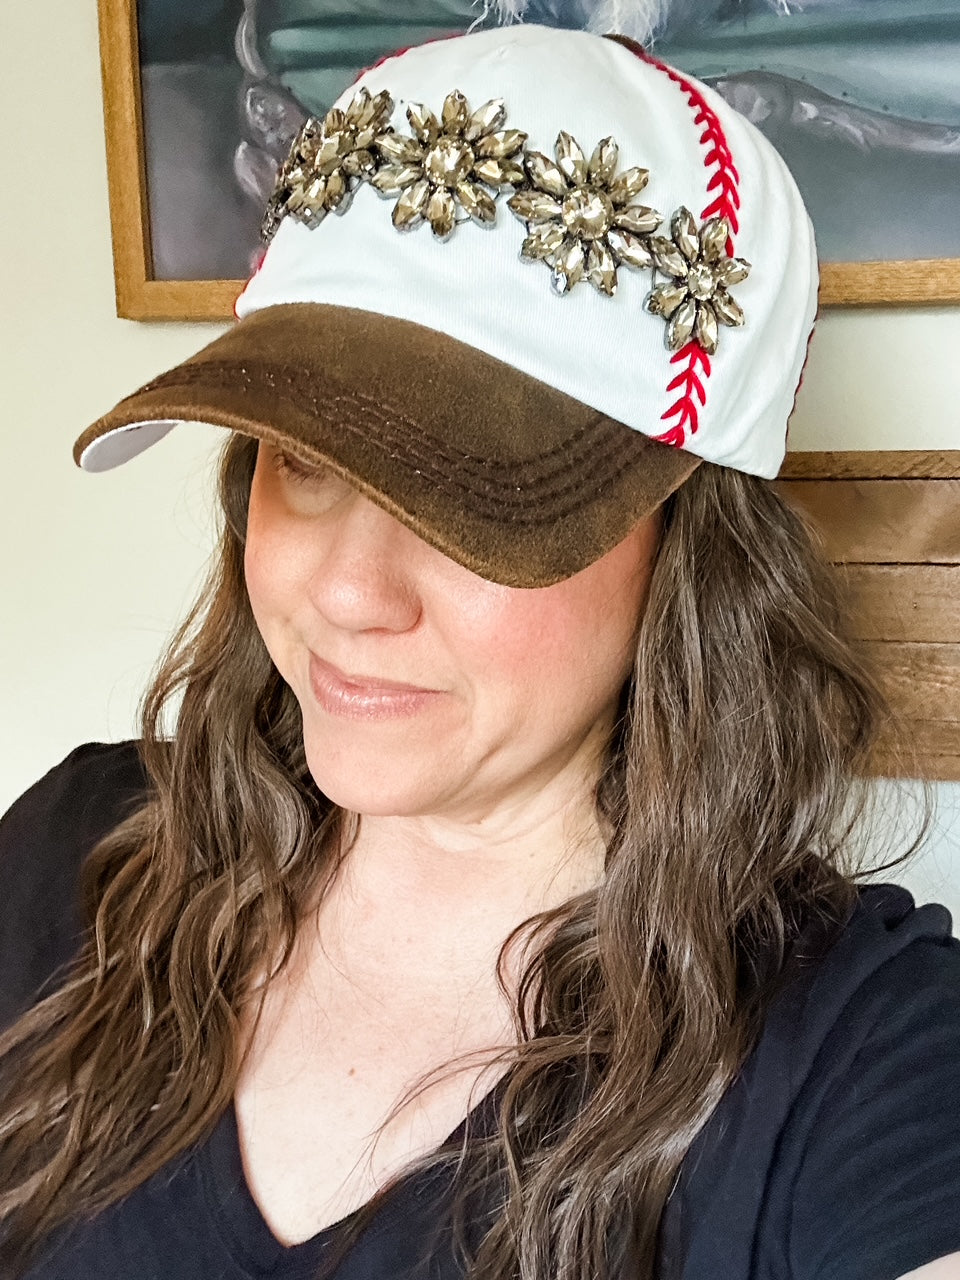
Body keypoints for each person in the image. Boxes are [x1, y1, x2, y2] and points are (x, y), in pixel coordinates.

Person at [1, 19, 959, 1280]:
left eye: (471, 498)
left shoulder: (861, 1054)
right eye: (305, 461)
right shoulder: (81, 846)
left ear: (686, 550)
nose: (347, 591)